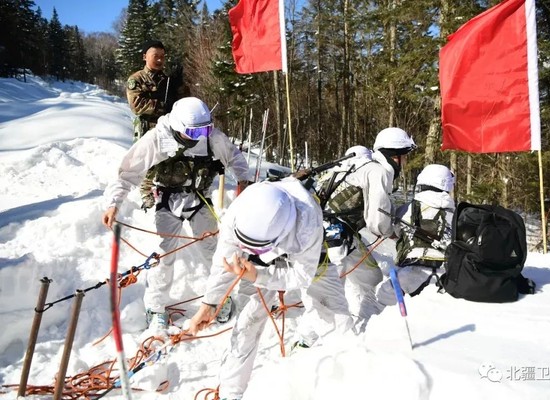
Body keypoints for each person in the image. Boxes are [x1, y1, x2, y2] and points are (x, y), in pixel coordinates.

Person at [102, 97, 251, 332]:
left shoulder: (212, 138)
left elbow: (235, 157)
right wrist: (113, 203)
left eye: (206, 128)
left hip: (199, 199)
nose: (202, 135)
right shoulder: (156, 140)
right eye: (195, 131)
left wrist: (244, 180)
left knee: (213, 250)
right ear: (179, 127)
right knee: (165, 254)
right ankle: (156, 307)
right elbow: (128, 173)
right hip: (167, 200)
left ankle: (219, 298)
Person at [188, 177, 323, 400]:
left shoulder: (307, 225)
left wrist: (260, 275)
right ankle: (231, 392)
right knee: (247, 323)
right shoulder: (239, 212)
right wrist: (209, 303)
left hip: (294, 260)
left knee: (326, 306)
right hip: (264, 256)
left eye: (256, 248)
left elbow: (301, 275)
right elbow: (224, 260)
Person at [295, 128, 417, 344]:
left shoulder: (359, 166)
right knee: (327, 297)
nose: (405, 163)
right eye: (404, 156)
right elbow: (376, 219)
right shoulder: (376, 171)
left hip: (340, 236)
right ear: (394, 155)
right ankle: (305, 340)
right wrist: (392, 233)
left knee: (371, 278)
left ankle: (365, 326)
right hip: (332, 241)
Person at [372, 164, 455, 313]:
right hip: (445, 275)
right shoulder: (455, 215)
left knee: (381, 303)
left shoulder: (406, 209)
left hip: (409, 272)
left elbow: (396, 232)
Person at [126, 39, 190, 210]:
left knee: (168, 158)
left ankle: (164, 188)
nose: (160, 60)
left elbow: (184, 102)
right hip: (148, 127)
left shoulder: (167, 79)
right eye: (156, 56)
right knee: (148, 160)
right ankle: (146, 192)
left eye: (163, 56)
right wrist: (163, 104)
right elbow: (137, 106)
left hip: (168, 127)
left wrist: (180, 84)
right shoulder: (137, 79)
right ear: (144, 56)